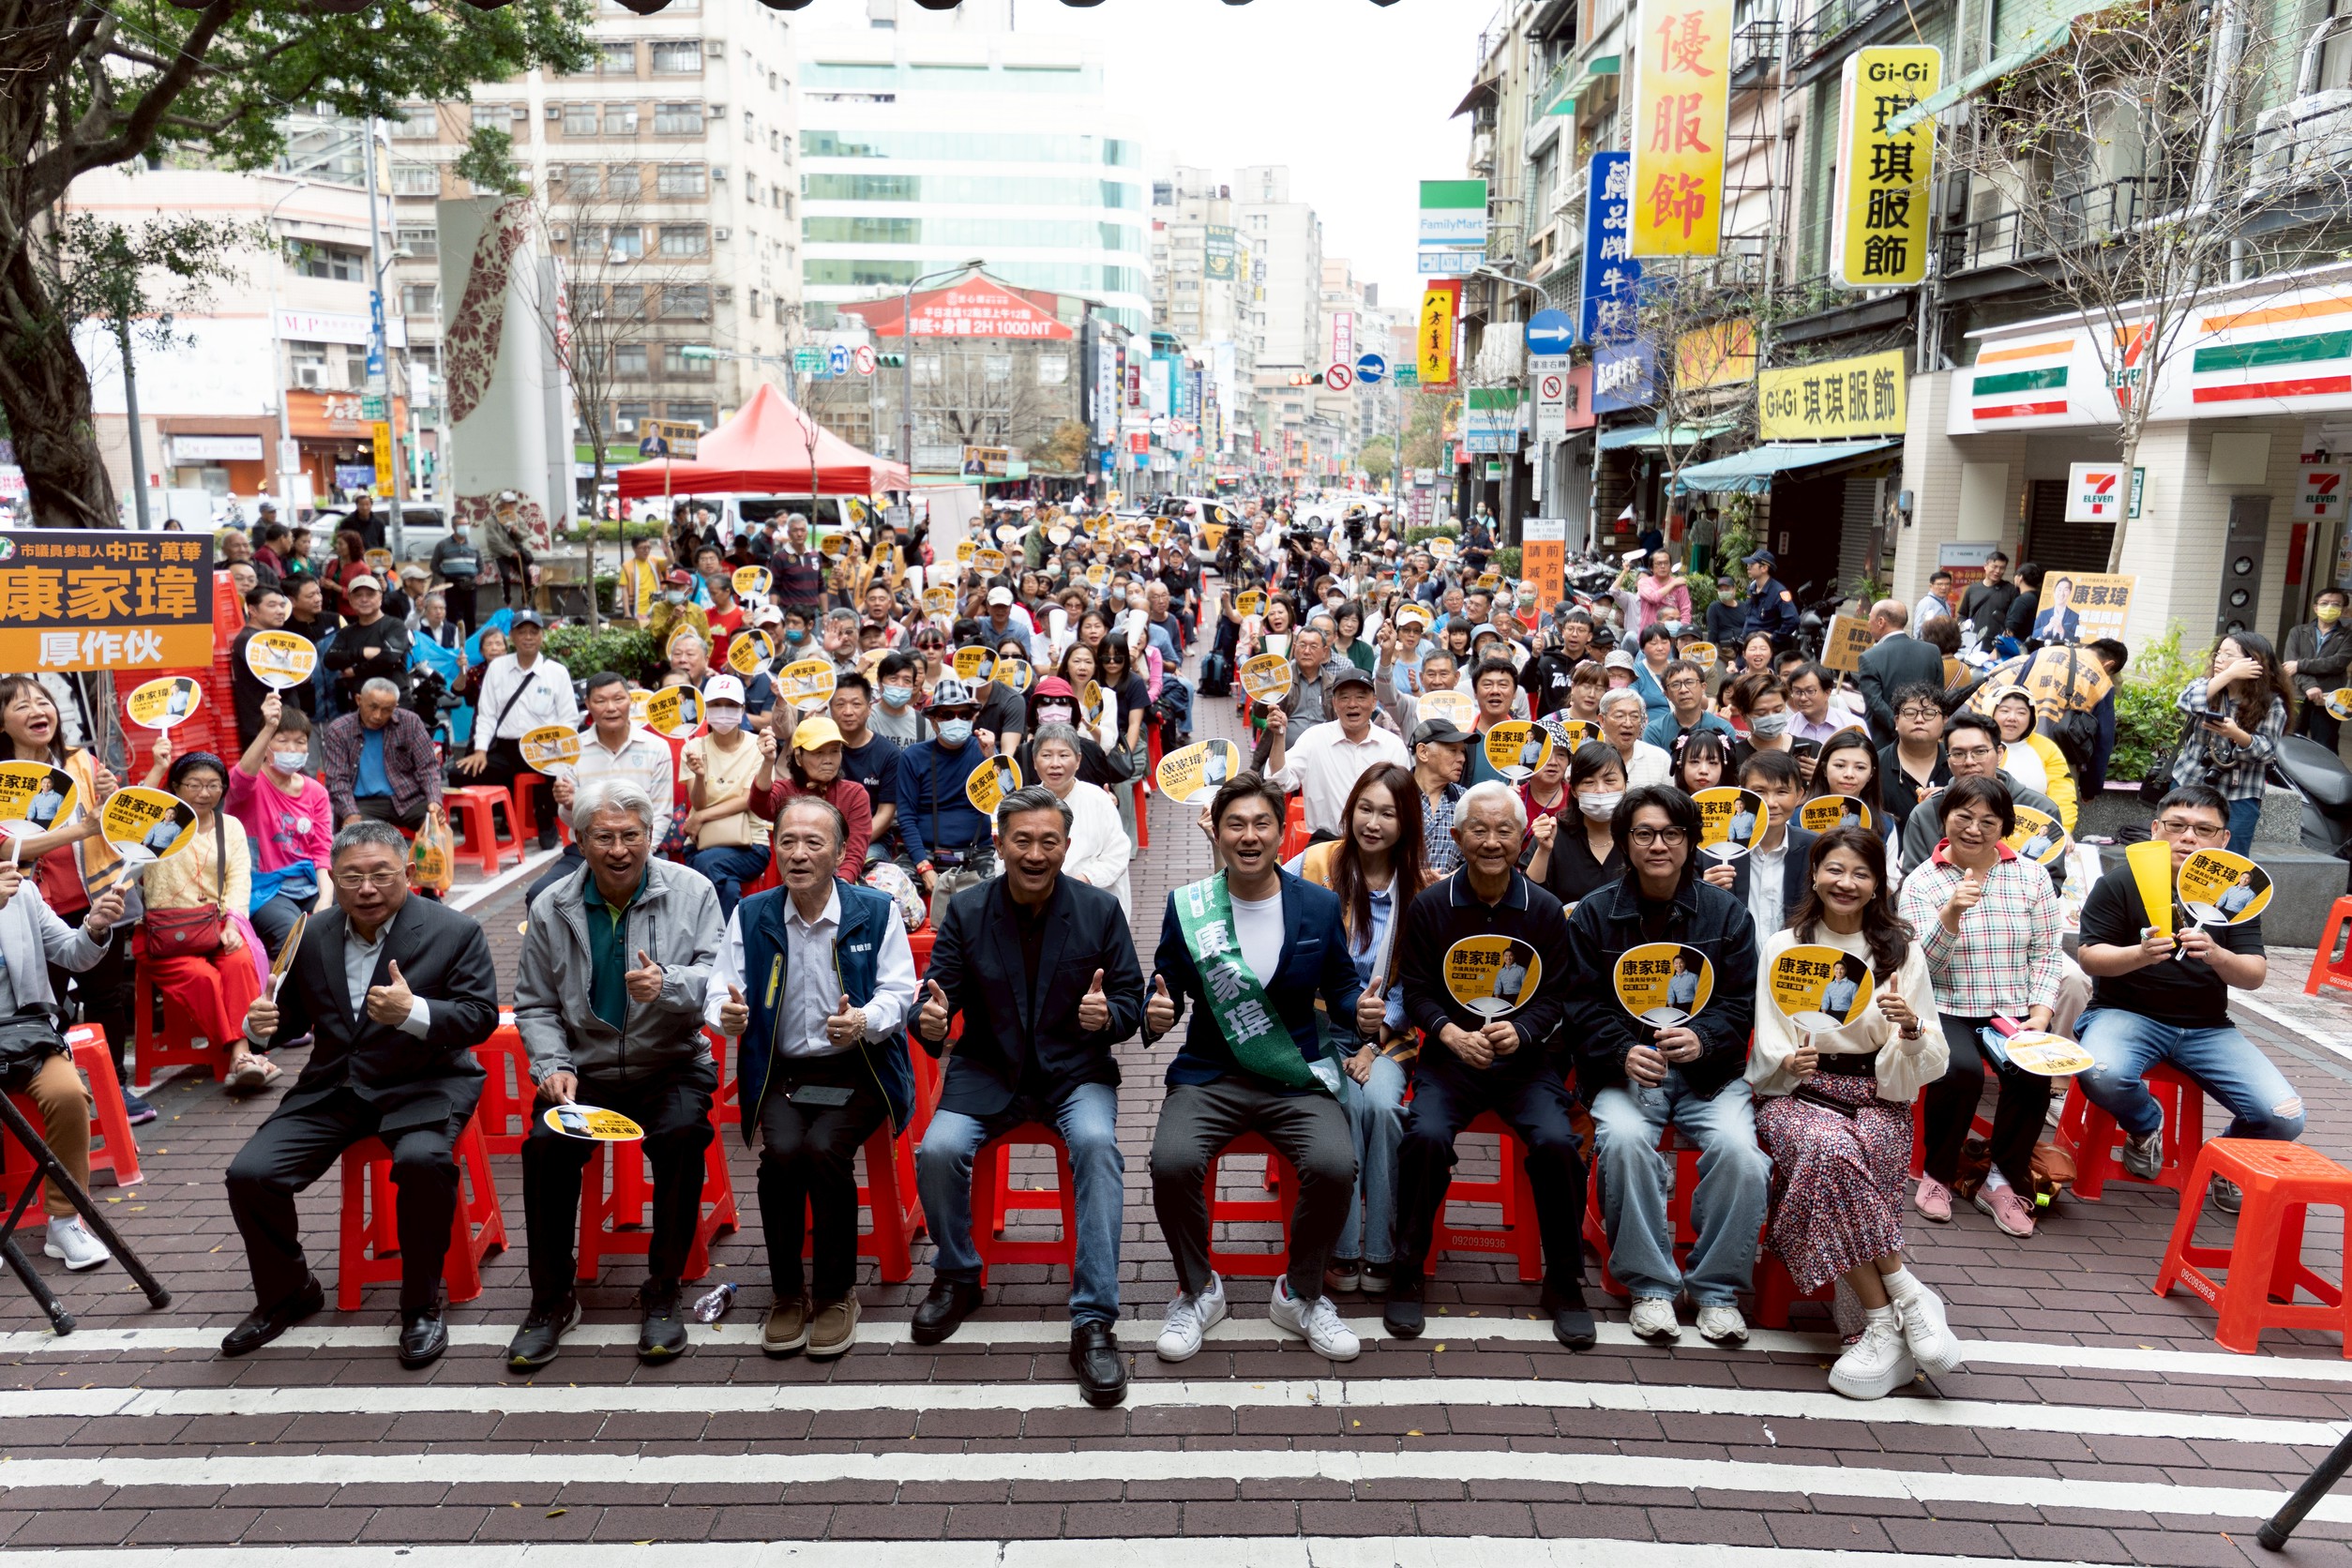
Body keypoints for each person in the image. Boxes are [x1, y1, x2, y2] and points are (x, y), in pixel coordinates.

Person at [221, 821, 501, 1365]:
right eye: (352, 877)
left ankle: (421, 1305)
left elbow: (479, 1016)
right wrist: (258, 1026)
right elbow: (289, 1018)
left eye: (381, 875)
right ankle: (289, 1292)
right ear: (334, 878)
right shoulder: (313, 932)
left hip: (423, 1082)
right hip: (334, 1085)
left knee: (422, 1164)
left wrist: (414, 1012)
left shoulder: (454, 931)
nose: (367, 889)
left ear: (409, 873)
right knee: (251, 1175)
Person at [908, 787, 1140, 1402]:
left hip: (1075, 1073)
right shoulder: (968, 909)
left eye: (1048, 841)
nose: (1035, 854)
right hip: (988, 1070)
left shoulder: (1098, 909)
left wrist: (1111, 1017)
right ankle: (958, 1274)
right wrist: (929, 1021)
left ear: (1066, 846)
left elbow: (1130, 999)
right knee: (937, 1149)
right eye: (1022, 840)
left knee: (1097, 1146)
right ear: (1000, 843)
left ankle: (1094, 1318)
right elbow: (935, 997)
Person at [1144, 774, 1366, 1363]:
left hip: (1294, 1072)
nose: (1249, 836)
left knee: (1335, 1164)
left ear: (1279, 831)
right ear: (1216, 833)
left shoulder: (1317, 904)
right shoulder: (1189, 908)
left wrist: (1360, 1011)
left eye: (1261, 823)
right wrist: (1157, 1011)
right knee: (1171, 1162)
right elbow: (1165, 987)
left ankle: (1301, 1294)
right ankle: (1198, 1291)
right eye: (1235, 824)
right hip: (1210, 1073)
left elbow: (1342, 987)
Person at [507, 778, 726, 1369]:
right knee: (545, 1147)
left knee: (682, 1135)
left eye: (631, 835)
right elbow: (535, 1004)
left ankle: (663, 1289)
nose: (619, 849)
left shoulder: (694, 891)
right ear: (580, 841)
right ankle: (551, 1299)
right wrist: (553, 1066)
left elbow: (721, 978)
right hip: (586, 1069)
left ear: (651, 836)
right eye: (603, 837)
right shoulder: (551, 904)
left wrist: (669, 984)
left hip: (670, 1062)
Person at [699, 793, 919, 1363]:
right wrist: (725, 1015)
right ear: (774, 848)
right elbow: (721, 988)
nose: (797, 854)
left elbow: (901, 993)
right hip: (785, 1071)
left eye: (813, 842)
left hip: (862, 1067)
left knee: (823, 1149)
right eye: (787, 841)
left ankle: (836, 1293)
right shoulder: (753, 913)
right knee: (782, 1155)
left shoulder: (875, 910)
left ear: (841, 852)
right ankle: (787, 1293)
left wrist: (863, 1020)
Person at [1750, 828, 1961, 1400]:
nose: (1846, 883)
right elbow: (1769, 1038)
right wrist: (1787, 1059)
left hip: (1878, 1095)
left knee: (1848, 1155)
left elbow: (1927, 1055)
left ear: (1877, 885)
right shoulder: (1784, 946)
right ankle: (1901, 1298)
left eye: (1861, 874)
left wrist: (1910, 1028)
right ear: (1814, 874)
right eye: (1835, 870)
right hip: (1799, 1095)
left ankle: (1880, 1329)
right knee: (1829, 1148)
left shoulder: (1900, 951)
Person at [1387, 783, 1591, 1347]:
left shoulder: (1544, 909)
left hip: (1526, 1064)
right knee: (1424, 1136)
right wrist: (1450, 1033)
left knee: (1558, 1143)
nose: (1492, 842)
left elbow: (1557, 994)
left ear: (1523, 837)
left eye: (1505, 830)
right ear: (1457, 837)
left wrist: (1521, 1032)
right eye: (1479, 830)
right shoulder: (1432, 906)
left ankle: (1564, 1280)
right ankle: (1407, 1269)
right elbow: (1417, 990)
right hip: (1451, 1060)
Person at [1566, 784, 1768, 1344]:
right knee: (1624, 1142)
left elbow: (1741, 1002)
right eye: (1645, 834)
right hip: (1625, 1075)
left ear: (1692, 841)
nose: (1659, 845)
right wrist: (1621, 1050)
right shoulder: (1594, 914)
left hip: (1711, 1077)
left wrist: (1702, 1039)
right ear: (1625, 842)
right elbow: (1577, 1004)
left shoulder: (1727, 914)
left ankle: (1716, 1290)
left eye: (1672, 833)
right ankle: (1651, 1286)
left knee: (1742, 1156)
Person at [2074, 785, 2296, 1216]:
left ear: (2224, 839)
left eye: (2204, 830)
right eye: (2177, 826)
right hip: (2124, 1014)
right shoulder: (2121, 882)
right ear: (2156, 829)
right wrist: (2139, 955)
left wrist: (2216, 954)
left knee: (2284, 1115)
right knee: (2102, 1073)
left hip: (2208, 1028)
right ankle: (2146, 1123)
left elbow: (2253, 975)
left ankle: (2226, 1159)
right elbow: (2090, 957)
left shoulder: (2236, 897)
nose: (2188, 837)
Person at [1894, 776, 2064, 1240]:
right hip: (1944, 1004)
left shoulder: (2031, 876)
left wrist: (2040, 1015)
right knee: (1959, 1071)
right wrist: (1951, 913)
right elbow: (1920, 966)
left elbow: (2047, 953)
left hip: (2011, 1011)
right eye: (1964, 817)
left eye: (1989, 821)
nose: (1974, 829)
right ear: (1944, 818)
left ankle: (2003, 1181)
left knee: (2033, 1072)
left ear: (2005, 827)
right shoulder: (1922, 881)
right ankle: (1937, 1173)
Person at [1290, 762, 1423, 1298]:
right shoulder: (1316, 863)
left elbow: (1416, 984)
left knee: (1385, 1109)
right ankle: (1343, 1250)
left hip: (1387, 1038)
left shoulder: (1420, 888)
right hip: (1317, 1028)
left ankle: (1381, 1250)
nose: (1372, 822)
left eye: (1387, 813)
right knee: (1347, 1106)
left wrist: (1373, 1042)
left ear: (1406, 821)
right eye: (1365, 808)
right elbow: (1258, 895)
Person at [0, 678, 136, 1121]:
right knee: (44, 1002)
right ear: (2, 723)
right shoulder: (4, 780)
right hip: (28, 902)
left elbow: (114, 825)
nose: (38, 711)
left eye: (44, 702)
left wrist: (111, 799)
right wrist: (83, 828)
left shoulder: (81, 761)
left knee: (107, 997)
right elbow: (7, 846)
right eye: (22, 706)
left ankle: (115, 1089)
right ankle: (45, 1098)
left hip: (95, 895)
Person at [0, 855, 127, 1271]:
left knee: (69, 1095)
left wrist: (94, 926)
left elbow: (73, 953)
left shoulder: (23, 892)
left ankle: (64, 1219)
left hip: (27, 1035)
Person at [135, 746, 271, 1090]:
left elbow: (239, 879)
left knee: (240, 961)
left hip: (215, 925)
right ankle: (243, 1055)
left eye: (213, 785)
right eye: (193, 785)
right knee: (204, 977)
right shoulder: (158, 822)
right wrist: (157, 767)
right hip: (164, 936)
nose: (204, 793)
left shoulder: (230, 826)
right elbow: (132, 811)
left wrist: (233, 923)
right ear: (175, 787)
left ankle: (241, 1057)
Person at [1896, 713, 2069, 885]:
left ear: (1999, 753)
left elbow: (2051, 881)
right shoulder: (1926, 814)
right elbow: (1914, 884)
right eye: (1958, 753)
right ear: (1947, 759)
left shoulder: (2040, 808)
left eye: (1980, 752)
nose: (1969, 761)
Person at [454, 610, 578, 850]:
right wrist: (480, 750)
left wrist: (559, 751)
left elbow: (569, 719)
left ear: (542, 636)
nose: (528, 637)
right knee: (462, 773)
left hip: (544, 748)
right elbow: (487, 714)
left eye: (533, 632)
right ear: (512, 636)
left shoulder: (556, 672)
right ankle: (481, 833)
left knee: (556, 775)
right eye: (522, 632)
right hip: (506, 748)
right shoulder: (497, 668)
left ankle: (545, 817)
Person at [228, 691, 334, 969]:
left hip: (308, 883)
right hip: (263, 889)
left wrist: (326, 897)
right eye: (282, 740)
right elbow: (239, 780)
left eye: (300, 742)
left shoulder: (316, 793)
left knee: (351, 916)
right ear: (266, 745)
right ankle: (274, 991)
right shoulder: (252, 786)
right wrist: (268, 726)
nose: (292, 749)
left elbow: (322, 852)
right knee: (292, 935)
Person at [2172, 632, 2293, 854]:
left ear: (2253, 662)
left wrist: (2237, 734)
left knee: (2230, 858)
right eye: (2218, 653)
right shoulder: (2207, 686)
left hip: (2240, 792)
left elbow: (2266, 752)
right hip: (2190, 780)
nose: (2219, 659)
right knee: (2177, 851)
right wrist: (2228, 674)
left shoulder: (2271, 703)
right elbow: (2185, 702)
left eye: (2228, 655)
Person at [1262, 663, 1410, 840]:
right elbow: (1280, 780)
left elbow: (1405, 802)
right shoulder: (1314, 739)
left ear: (1373, 703)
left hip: (1377, 842)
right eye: (1344, 698)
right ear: (1334, 703)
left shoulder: (1393, 746)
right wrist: (1279, 737)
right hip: (1325, 842)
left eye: (1361, 697)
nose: (1352, 705)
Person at [893, 674, 995, 920]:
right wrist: (923, 866)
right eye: (947, 715)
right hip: (924, 851)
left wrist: (991, 758)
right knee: (892, 900)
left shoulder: (985, 752)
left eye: (964, 715)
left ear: (973, 718)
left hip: (976, 852)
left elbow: (1002, 802)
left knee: (993, 908)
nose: (956, 720)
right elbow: (906, 817)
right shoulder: (913, 757)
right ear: (934, 720)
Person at [682, 674, 769, 918]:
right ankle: (733, 936)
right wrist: (699, 775)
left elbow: (749, 799)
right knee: (727, 887)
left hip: (751, 845)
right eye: (716, 704)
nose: (723, 711)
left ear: (742, 709)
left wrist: (700, 818)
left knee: (706, 866)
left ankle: (716, 937)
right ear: (706, 709)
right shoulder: (693, 747)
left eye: (731, 705)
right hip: (699, 843)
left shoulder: (758, 746)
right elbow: (698, 803)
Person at [1021, 723, 1132, 914]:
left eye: (1064, 755)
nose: (1055, 764)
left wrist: (1084, 880)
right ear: (1034, 761)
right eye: (1046, 755)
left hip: (1093, 903)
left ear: (1078, 760)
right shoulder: (1023, 804)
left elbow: (1118, 851)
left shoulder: (1098, 799)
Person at [758, 715, 872, 883]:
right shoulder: (785, 790)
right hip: (791, 882)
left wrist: (839, 888)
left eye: (835, 751)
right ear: (799, 757)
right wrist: (768, 761)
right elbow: (760, 805)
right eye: (818, 753)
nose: (828, 760)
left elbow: (854, 852)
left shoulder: (855, 794)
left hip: (838, 884)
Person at [322, 677, 444, 832]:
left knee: (437, 826)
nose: (378, 715)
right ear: (359, 700)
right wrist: (349, 812)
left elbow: (428, 767)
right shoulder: (339, 730)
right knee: (359, 835)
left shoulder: (410, 722)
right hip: (362, 803)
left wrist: (435, 801)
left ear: (395, 707)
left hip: (408, 799)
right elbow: (337, 780)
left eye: (386, 710)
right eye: (373, 707)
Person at [1720, 748, 1815, 937]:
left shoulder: (1815, 848)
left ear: (1799, 795)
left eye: (1782, 791)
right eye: (1759, 791)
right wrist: (1705, 891)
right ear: (1742, 794)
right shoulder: (1716, 852)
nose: (1771, 802)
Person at [1526, 742, 1628, 909]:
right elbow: (1531, 898)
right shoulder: (1553, 835)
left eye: (1610, 780)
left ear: (1625, 785)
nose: (1600, 790)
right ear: (1574, 790)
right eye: (1589, 782)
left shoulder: (1638, 835)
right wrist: (1543, 850)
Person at [1856, 599, 1944, 750]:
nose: (1868, 623)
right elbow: (1938, 697)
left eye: (1870, 618)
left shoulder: (1869, 657)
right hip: (1925, 738)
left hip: (1884, 742)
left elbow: (1875, 703)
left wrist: (1901, 726)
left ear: (1881, 622)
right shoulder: (1932, 651)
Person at [1990, 686, 2078, 833]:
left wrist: (2061, 830)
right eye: (2004, 711)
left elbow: (2062, 793)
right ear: (1991, 712)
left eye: (2021, 712)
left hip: (2034, 832)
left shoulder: (2046, 747)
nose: (2012, 718)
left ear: (2031, 717)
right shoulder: (1976, 743)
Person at [2286, 586, 2352, 753]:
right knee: (2291, 743)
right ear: (2315, 607)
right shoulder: (2297, 632)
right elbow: (2289, 666)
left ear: (2344, 610)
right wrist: (2310, 687)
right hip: (2298, 695)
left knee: (2325, 745)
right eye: (2324, 603)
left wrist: (2300, 665)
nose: (2329, 607)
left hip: (2330, 699)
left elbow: (2337, 663)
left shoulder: (2348, 636)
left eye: (2336, 604)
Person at [230, 583, 295, 747]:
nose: (280, 611)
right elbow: (286, 678)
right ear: (252, 610)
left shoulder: (272, 638)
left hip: (282, 724)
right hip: (262, 728)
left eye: (282, 605)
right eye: (272, 605)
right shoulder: (249, 640)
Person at [1878, 684, 1949, 835]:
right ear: (1897, 721)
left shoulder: (1958, 763)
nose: (1919, 719)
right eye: (1910, 713)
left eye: (1929, 713)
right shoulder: (1875, 766)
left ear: (1945, 721)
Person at [1644, 658, 1733, 752]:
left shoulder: (1723, 729)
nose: (1683, 690)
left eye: (1690, 682)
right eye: (1675, 685)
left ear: (1703, 688)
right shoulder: (1655, 731)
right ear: (1667, 694)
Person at [1598, 686, 1672, 789]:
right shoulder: (1586, 756)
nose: (1628, 724)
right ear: (1602, 720)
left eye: (1634, 716)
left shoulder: (1660, 758)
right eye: (1619, 716)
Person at [1741, 549, 1799, 650]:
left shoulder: (1779, 592)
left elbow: (1793, 620)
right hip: (1747, 645)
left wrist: (1774, 638)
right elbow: (1749, 618)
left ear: (1764, 568)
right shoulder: (1751, 588)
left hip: (1765, 650)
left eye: (1752, 564)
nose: (1748, 567)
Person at [1959, 552, 2017, 645]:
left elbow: (2014, 619)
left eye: (2002, 568)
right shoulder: (1973, 589)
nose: (1998, 571)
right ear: (1985, 566)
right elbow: (1962, 614)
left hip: (1998, 644)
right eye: (1994, 567)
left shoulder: (2011, 590)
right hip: (1972, 643)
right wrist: (1963, 629)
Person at [2031, 575, 2081, 643]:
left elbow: (2077, 639)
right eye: (2059, 589)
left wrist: (2062, 631)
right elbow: (2033, 634)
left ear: (2070, 593)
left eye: (2066, 590)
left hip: (2064, 649)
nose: (2061, 593)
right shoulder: (2043, 613)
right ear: (2054, 592)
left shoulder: (2075, 616)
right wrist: (2045, 629)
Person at [1913, 569, 1956, 633]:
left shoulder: (1945, 603)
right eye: (1940, 584)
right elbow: (1918, 630)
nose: (1944, 587)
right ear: (1931, 586)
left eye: (1947, 584)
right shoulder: (1926, 603)